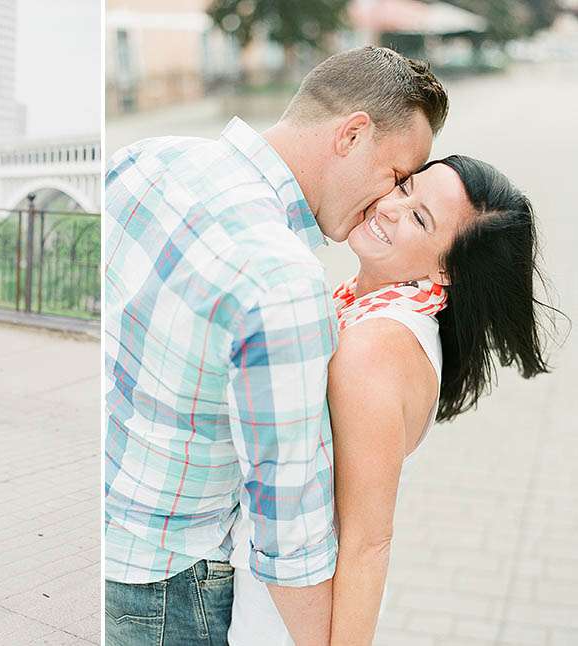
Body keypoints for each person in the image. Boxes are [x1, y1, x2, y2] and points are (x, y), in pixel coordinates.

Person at [104, 45, 448, 645]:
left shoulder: (147, 158)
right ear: (352, 135)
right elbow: (289, 528)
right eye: (395, 177)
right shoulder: (283, 280)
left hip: (105, 543)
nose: (387, 203)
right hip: (170, 589)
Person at [228, 155, 554, 644]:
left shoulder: (374, 347)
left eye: (421, 218)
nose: (391, 208)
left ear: (446, 271)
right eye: (405, 188)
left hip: (289, 613)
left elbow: (368, 543)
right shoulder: (369, 309)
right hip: (277, 586)